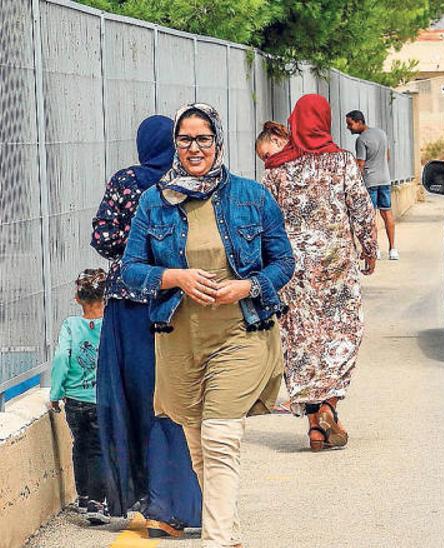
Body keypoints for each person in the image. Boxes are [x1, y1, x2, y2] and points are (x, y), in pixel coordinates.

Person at [122, 103, 295, 548]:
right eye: (185, 140)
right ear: (175, 145)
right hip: (180, 339)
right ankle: (228, 533)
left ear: (218, 141)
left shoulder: (251, 195)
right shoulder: (154, 202)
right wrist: (173, 278)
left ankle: (215, 541)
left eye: (203, 139)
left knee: (220, 437)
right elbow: (130, 269)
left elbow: (284, 261)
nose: (194, 148)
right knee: (199, 445)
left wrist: (248, 287)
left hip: (241, 333)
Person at [91, 114, 202, 538]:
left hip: (129, 309)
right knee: (175, 404)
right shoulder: (187, 182)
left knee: (135, 401)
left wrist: (131, 246)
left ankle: (145, 501)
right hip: (176, 305)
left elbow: (102, 238)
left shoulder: (125, 182)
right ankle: (176, 504)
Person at [265, 95, 376, 451]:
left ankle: (315, 428)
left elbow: (265, 221)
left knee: (302, 343)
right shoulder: (342, 162)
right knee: (343, 335)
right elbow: (361, 209)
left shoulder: (276, 169)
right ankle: (329, 405)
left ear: (295, 121)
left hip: (292, 273)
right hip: (337, 268)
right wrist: (370, 250)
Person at [49, 269, 109, 526]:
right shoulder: (111, 325)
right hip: (101, 398)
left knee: (80, 445)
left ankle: (83, 496)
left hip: (74, 399)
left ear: (77, 299)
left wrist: (56, 391)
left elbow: (62, 358)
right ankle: (97, 502)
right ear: (106, 297)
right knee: (98, 448)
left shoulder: (70, 325)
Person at [345, 110, 396, 260]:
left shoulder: (361, 140)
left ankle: (376, 249)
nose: (348, 127)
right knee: (387, 213)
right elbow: (387, 156)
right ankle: (393, 249)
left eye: (350, 124)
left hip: (370, 182)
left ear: (359, 122)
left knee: (371, 216)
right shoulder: (381, 133)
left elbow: (360, 163)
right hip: (385, 179)